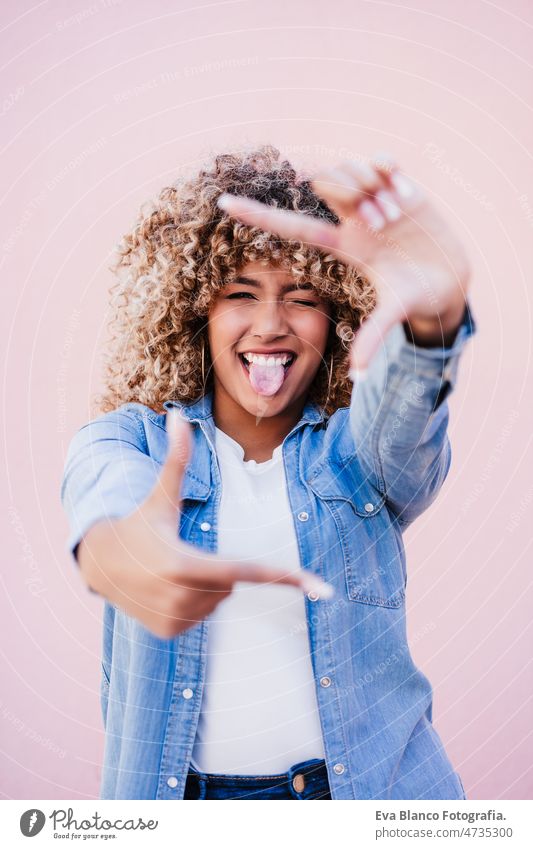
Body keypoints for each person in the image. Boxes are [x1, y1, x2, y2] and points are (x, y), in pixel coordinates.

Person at [60, 145, 475, 800]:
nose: (270, 325)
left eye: (301, 296)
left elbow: (405, 417)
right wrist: (131, 557)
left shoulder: (355, 452)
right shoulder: (131, 441)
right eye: (240, 294)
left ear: (338, 313)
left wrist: (433, 317)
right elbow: (107, 501)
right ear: (192, 309)